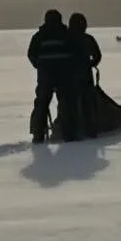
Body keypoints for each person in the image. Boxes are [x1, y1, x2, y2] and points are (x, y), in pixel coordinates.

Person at [26, 9, 75, 144]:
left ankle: (38, 135)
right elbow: (74, 54)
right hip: (63, 76)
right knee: (65, 104)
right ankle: (69, 134)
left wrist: (39, 66)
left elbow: (31, 54)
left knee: (41, 104)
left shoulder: (39, 36)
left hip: (45, 76)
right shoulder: (66, 35)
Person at [65, 12, 102, 141]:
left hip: (68, 78)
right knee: (87, 105)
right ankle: (90, 130)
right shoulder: (88, 39)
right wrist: (92, 64)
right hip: (86, 76)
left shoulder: (65, 38)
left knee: (70, 105)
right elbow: (97, 56)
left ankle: (71, 132)